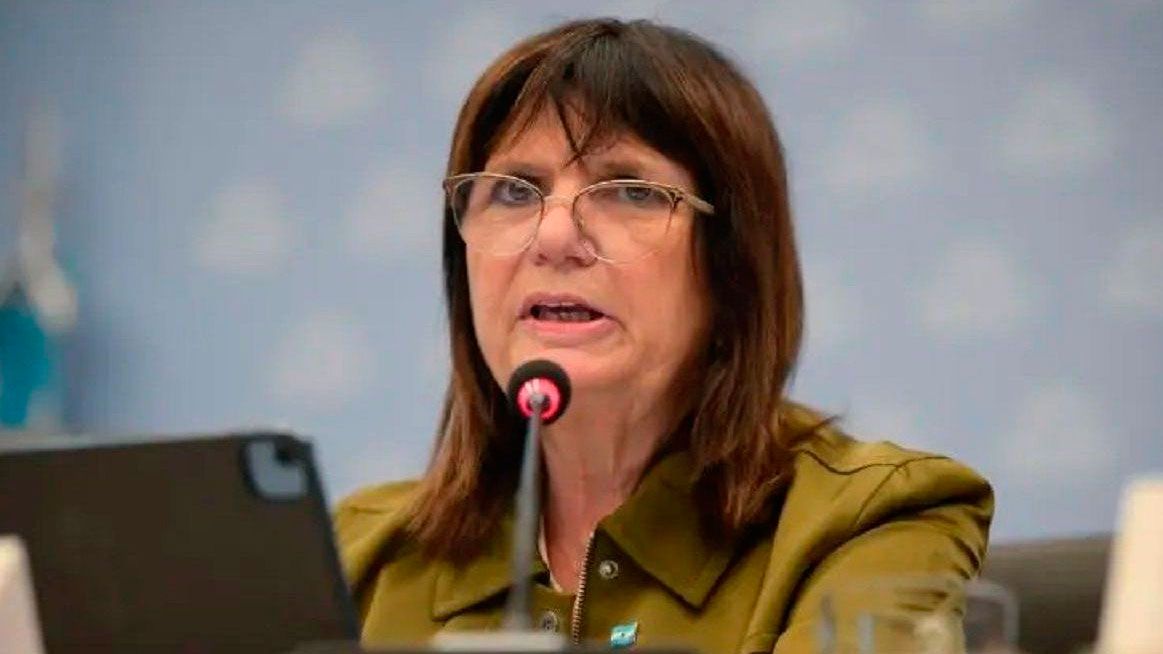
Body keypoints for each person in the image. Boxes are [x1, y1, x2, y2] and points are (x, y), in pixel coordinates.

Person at [335, 17, 993, 653]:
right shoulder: (357, 560)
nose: (554, 236)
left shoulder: (868, 523)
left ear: (731, 263)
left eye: (629, 191)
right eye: (513, 192)